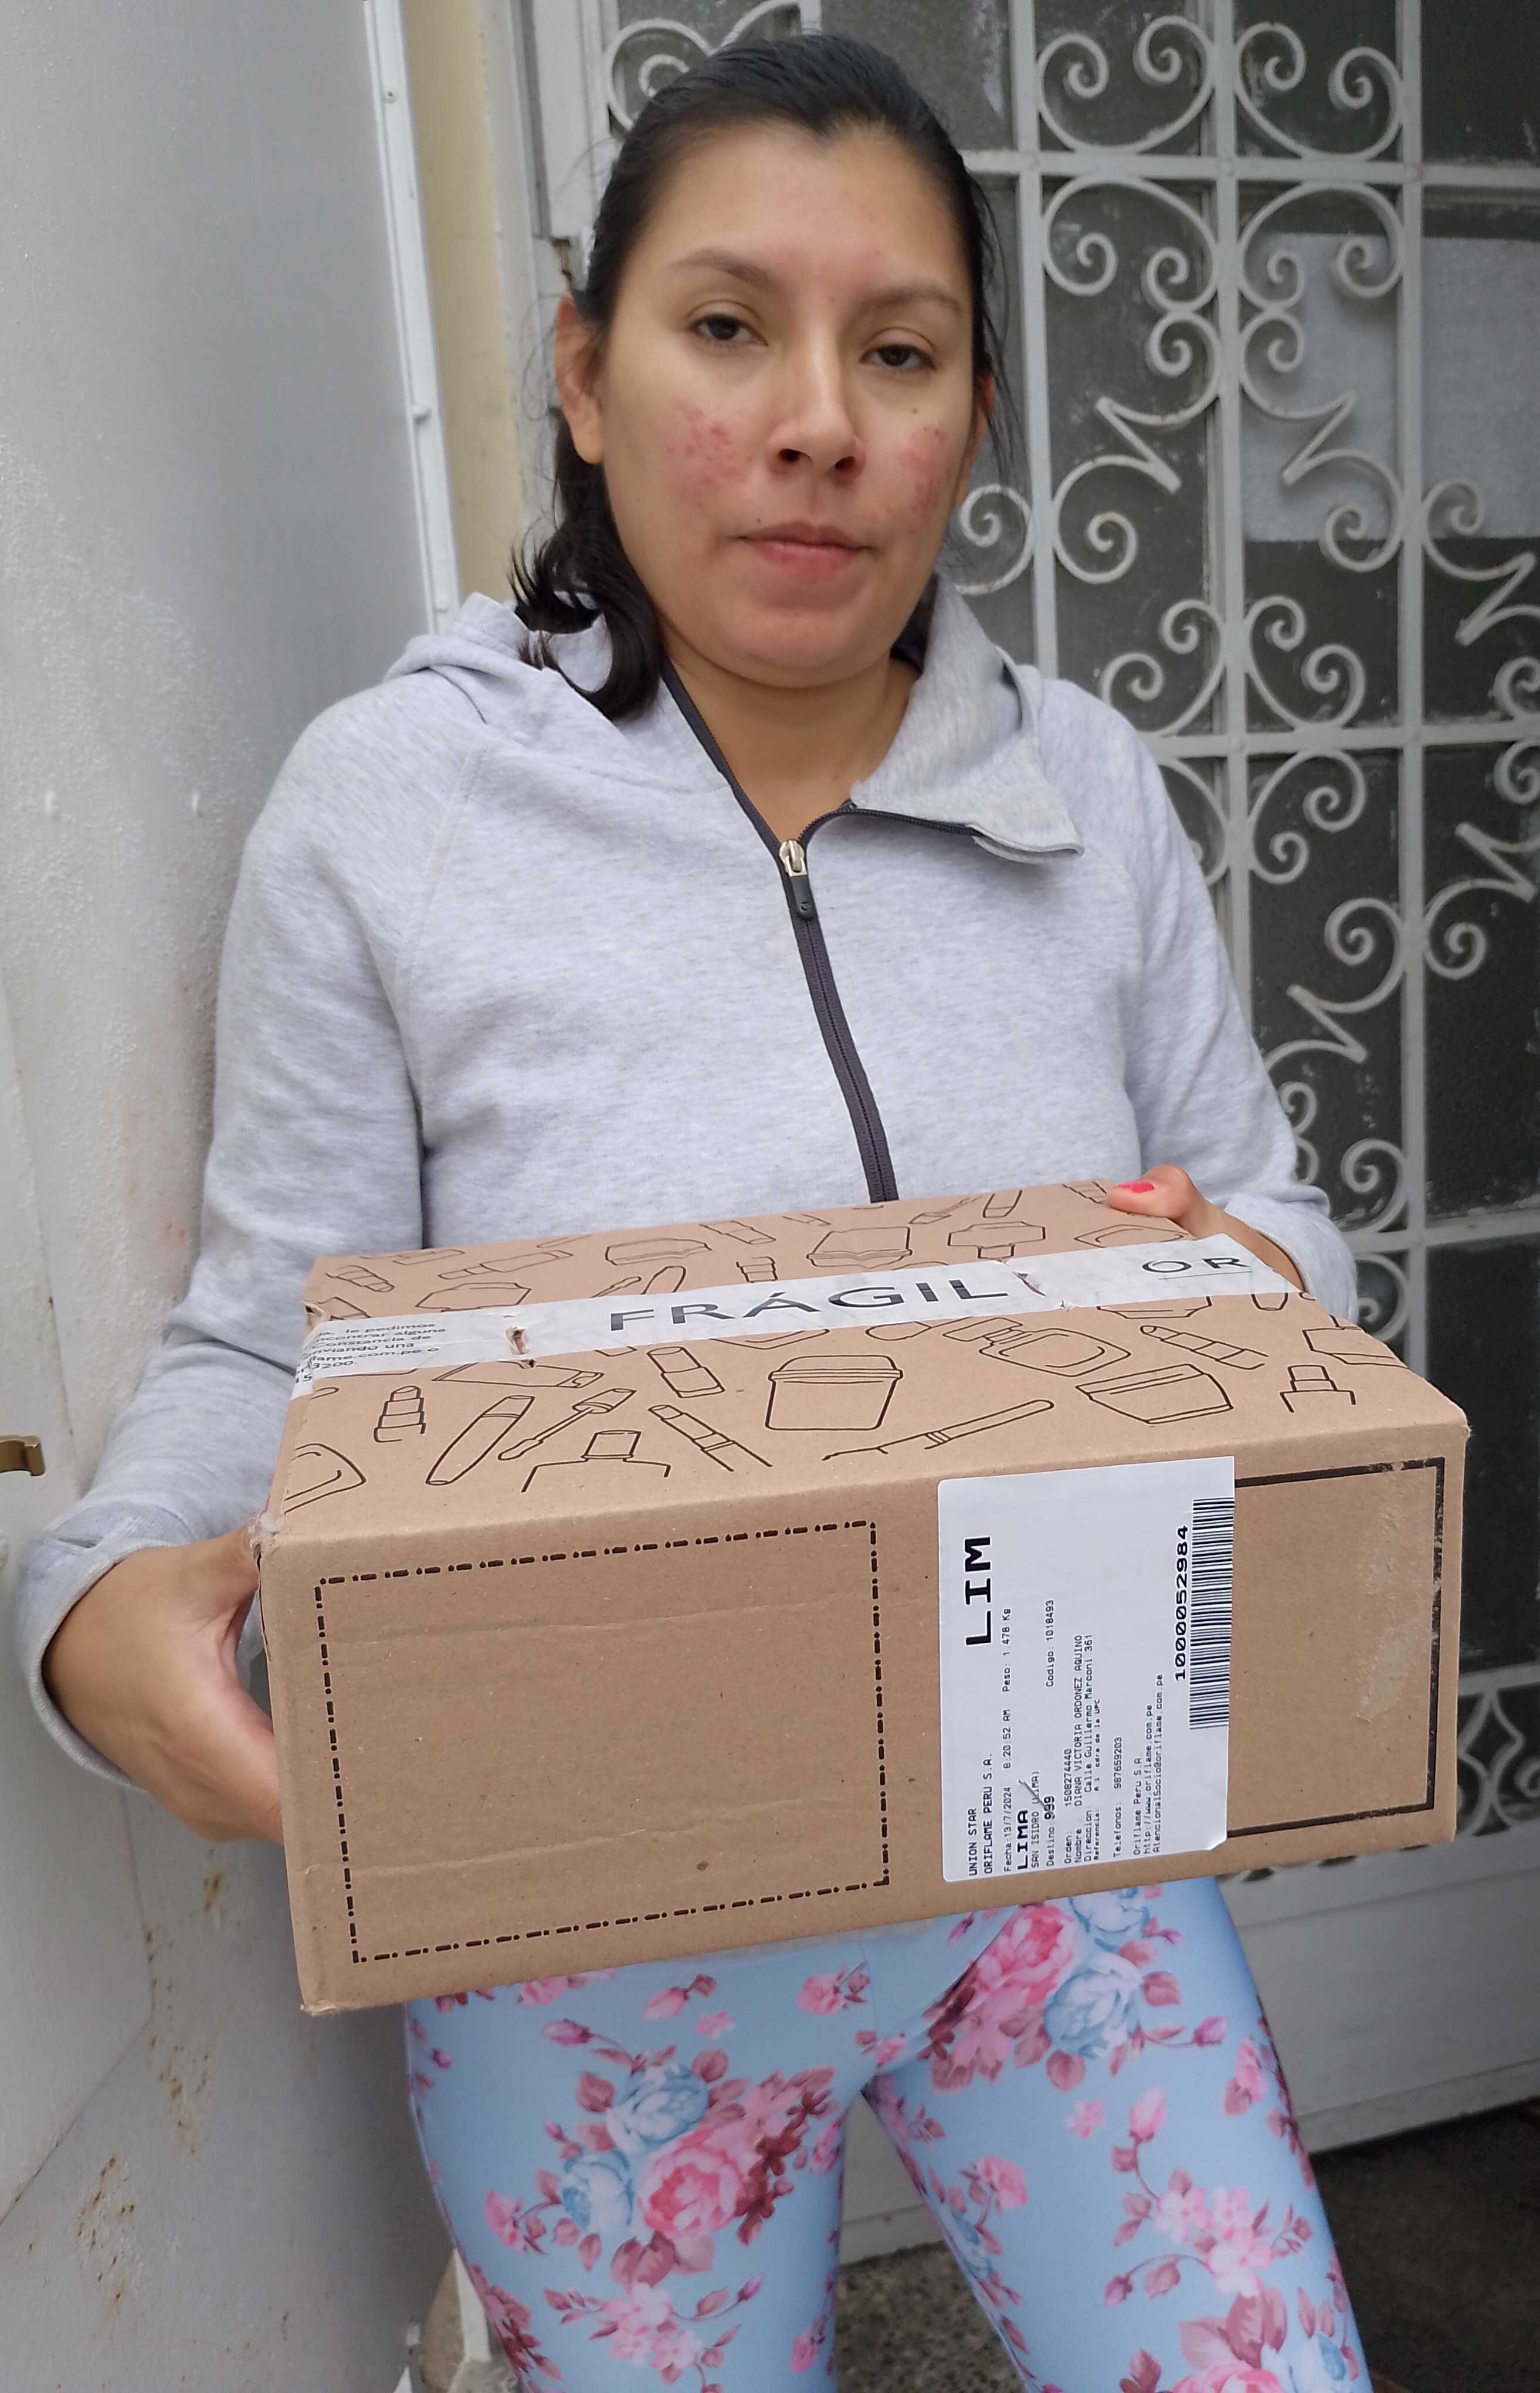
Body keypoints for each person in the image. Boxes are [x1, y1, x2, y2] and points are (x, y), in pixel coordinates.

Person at [19, 35, 1369, 2392]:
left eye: (902, 353)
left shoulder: (1092, 798)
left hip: (1057, 1878)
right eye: (729, 326)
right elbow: (282, 1340)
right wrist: (97, 1598)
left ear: (973, 415)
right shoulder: (392, 813)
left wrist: (1257, 1294)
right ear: (585, 371)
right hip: (588, 1942)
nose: (818, 422)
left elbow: (1268, 1216)